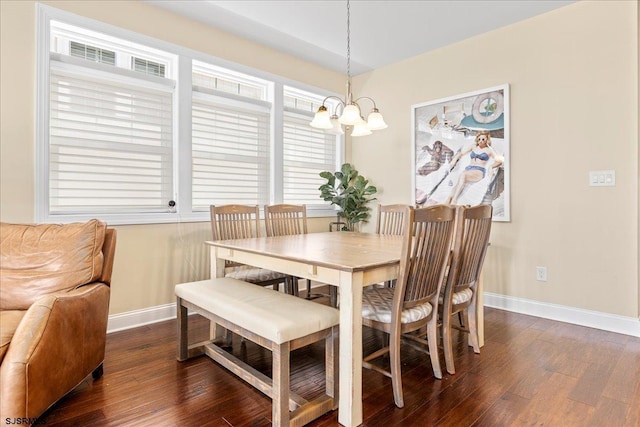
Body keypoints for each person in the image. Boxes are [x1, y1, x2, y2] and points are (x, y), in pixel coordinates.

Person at [446, 130, 502, 204]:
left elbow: (499, 161)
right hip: (469, 168)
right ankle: (448, 200)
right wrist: (455, 159)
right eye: (479, 139)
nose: (481, 141)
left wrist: (491, 167)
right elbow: (462, 153)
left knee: (463, 174)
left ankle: (454, 200)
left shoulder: (489, 150)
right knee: (458, 182)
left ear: (487, 140)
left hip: (479, 171)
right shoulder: (473, 147)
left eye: (483, 139)